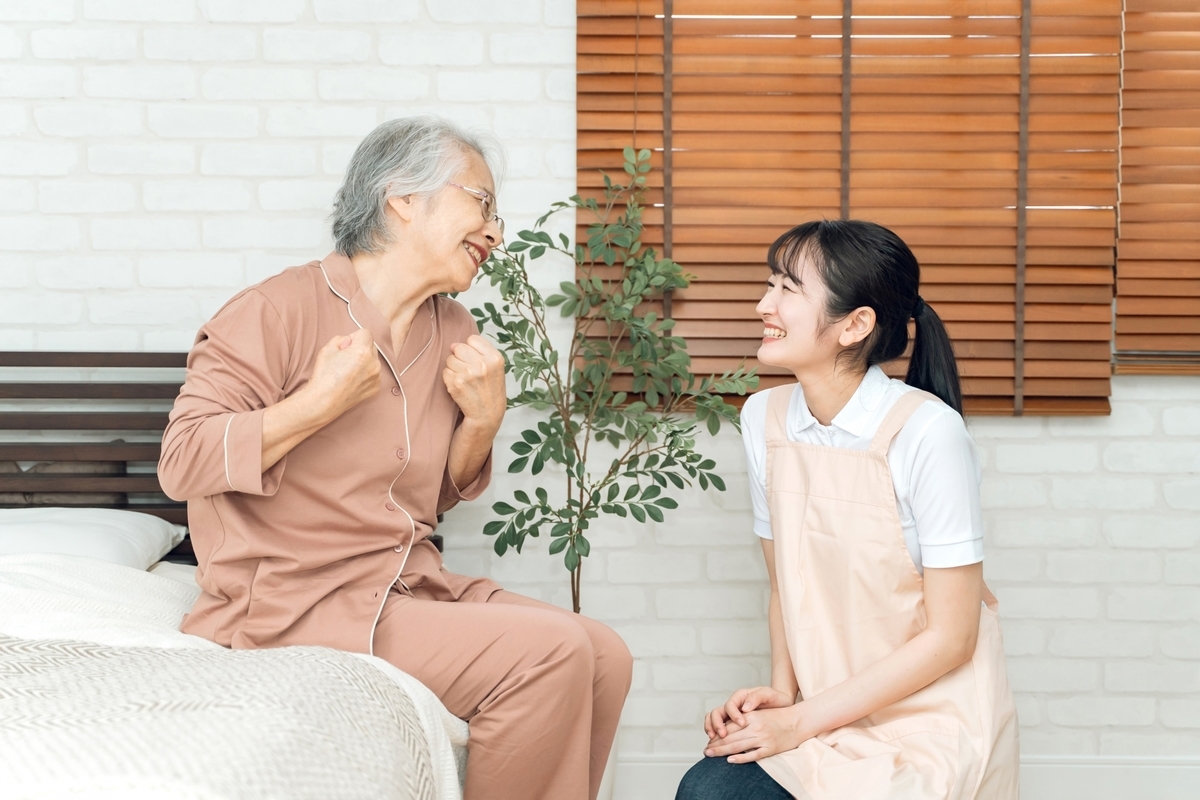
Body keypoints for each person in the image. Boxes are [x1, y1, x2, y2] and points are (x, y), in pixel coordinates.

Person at [159, 116, 632, 800]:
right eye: (483, 204)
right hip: (295, 599)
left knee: (605, 655)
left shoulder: (454, 329)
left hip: (406, 582)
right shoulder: (274, 310)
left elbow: (429, 498)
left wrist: (485, 419)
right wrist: (318, 403)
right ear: (403, 200)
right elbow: (183, 459)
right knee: (549, 656)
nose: (497, 233)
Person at [676, 220, 1018, 800]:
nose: (765, 304)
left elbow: (953, 639)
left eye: (788, 290)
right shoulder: (763, 418)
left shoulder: (929, 433)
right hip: (825, 713)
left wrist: (798, 723)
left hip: (933, 722)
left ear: (855, 325)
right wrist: (784, 694)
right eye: (770, 285)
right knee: (708, 788)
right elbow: (785, 584)